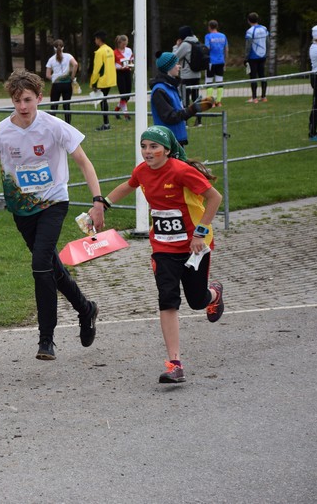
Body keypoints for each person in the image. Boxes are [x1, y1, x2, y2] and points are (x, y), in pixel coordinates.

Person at [0, 69, 102, 360]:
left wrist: (97, 201)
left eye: (28, 100)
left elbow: (83, 161)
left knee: (40, 263)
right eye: (17, 101)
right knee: (50, 266)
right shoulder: (0, 132)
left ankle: (46, 338)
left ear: (39, 98)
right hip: (22, 209)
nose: (23, 107)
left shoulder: (54, 126)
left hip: (54, 203)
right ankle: (85, 308)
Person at [95, 125, 224, 383]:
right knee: (168, 299)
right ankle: (174, 363)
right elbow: (128, 185)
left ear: (167, 149)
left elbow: (214, 197)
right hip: (163, 247)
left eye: (153, 146)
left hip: (193, 246)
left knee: (197, 300)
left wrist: (200, 232)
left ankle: (214, 294)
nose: (147, 152)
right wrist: (102, 204)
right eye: (144, 146)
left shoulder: (181, 171)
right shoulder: (142, 171)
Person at [150, 52, 214, 147]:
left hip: (176, 139)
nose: (179, 66)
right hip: (168, 142)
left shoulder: (170, 86)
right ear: (168, 67)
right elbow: (170, 117)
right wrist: (192, 109)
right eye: (176, 64)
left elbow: (177, 112)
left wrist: (192, 108)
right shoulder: (160, 90)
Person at [173, 26, 204, 127]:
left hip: (186, 75)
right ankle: (199, 121)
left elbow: (175, 57)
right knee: (196, 98)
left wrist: (177, 46)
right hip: (197, 74)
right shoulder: (197, 42)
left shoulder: (185, 45)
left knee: (184, 99)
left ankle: (185, 121)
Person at [45, 39, 78, 124]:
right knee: (66, 105)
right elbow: (75, 64)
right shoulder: (68, 56)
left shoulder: (51, 59)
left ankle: (52, 125)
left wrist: (54, 78)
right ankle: (68, 124)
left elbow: (47, 75)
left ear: (54, 48)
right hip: (67, 83)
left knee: (54, 106)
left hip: (56, 85)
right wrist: (72, 77)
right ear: (63, 47)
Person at [90, 31, 116, 131]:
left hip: (102, 80)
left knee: (102, 101)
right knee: (104, 100)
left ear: (98, 39)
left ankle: (106, 124)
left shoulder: (100, 52)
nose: (95, 41)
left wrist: (93, 82)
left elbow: (97, 69)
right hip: (110, 79)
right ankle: (106, 123)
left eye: (95, 39)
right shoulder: (109, 50)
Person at [244, 12, 269, 103]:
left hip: (253, 56)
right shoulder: (264, 28)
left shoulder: (250, 31)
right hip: (263, 55)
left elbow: (248, 45)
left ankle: (254, 98)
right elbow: (267, 41)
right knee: (262, 75)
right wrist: (267, 52)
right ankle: (264, 96)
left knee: (253, 76)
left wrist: (246, 57)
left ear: (248, 20)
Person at [204, 20, 229, 107]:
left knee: (209, 82)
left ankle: (210, 102)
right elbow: (226, 49)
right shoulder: (223, 36)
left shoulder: (208, 36)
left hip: (211, 62)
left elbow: (207, 48)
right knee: (219, 81)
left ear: (209, 27)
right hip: (221, 61)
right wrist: (225, 61)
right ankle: (218, 102)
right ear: (217, 26)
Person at [113, 34, 134, 120]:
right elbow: (112, 65)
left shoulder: (129, 50)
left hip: (127, 72)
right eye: (123, 44)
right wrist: (119, 67)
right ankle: (126, 114)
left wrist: (131, 65)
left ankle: (116, 110)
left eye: (126, 44)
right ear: (119, 43)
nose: (125, 46)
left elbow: (132, 60)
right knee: (123, 94)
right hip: (119, 73)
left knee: (127, 95)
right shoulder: (115, 52)